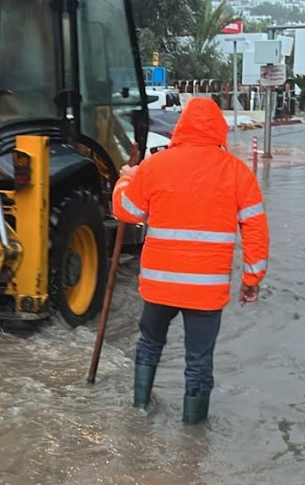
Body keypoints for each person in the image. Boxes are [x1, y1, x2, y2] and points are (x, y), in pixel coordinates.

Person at [111, 97, 269, 425]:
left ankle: (139, 410)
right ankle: (194, 435)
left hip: (159, 286)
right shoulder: (238, 173)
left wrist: (128, 178)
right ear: (219, 130)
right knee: (198, 360)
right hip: (206, 291)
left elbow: (127, 211)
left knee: (149, 344)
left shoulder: (155, 166)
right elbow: (255, 229)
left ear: (181, 127)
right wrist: (251, 278)